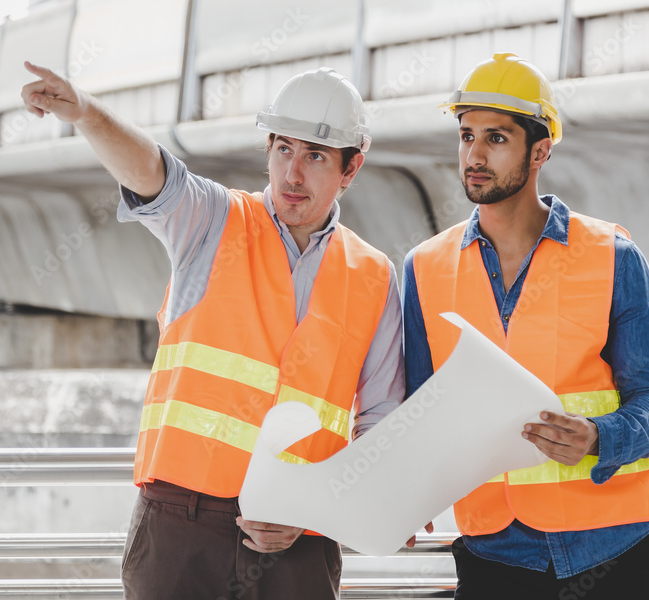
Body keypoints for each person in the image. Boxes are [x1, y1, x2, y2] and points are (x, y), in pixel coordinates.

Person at [20, 63, 405, 600]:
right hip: (181, 529)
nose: (293, 174)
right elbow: (151, 171)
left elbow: (380, 423)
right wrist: (85, 112)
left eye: (315, 155)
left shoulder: (375, 276)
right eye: (283, 150)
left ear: (351, 167)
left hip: (298, 543)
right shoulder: (213, 220)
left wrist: (317, 511)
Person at [402, 53, 649, 599]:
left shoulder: (613, 257)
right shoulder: (424, 267)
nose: (474, 155)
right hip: (492, 554)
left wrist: (600, 437)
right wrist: (406, 494)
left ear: (540, 150)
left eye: (497, 138)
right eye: (466, 135)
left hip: (613, 549)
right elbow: (419, 411)